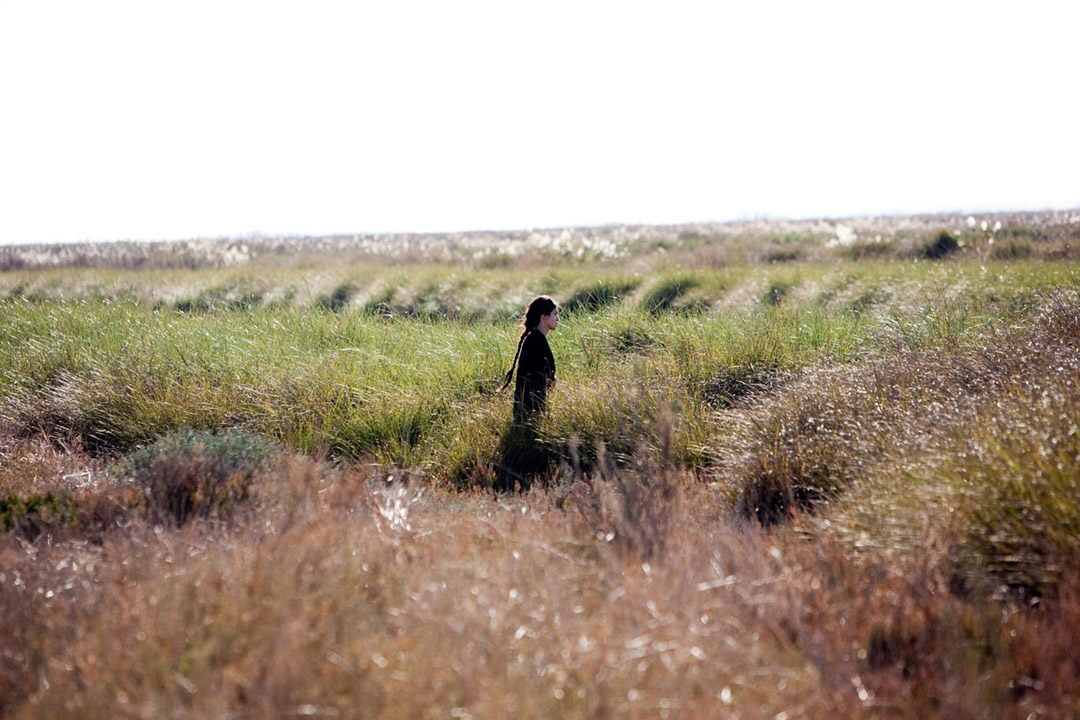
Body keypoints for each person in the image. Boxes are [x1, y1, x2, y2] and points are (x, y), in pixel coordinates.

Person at [500, 296, 559, 424]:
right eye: (555, 314)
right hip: (531, 411)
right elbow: (539, 379)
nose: (557, 319)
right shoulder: (537, 340)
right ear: (544, 316)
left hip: (525, 410)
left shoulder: (534, 338)